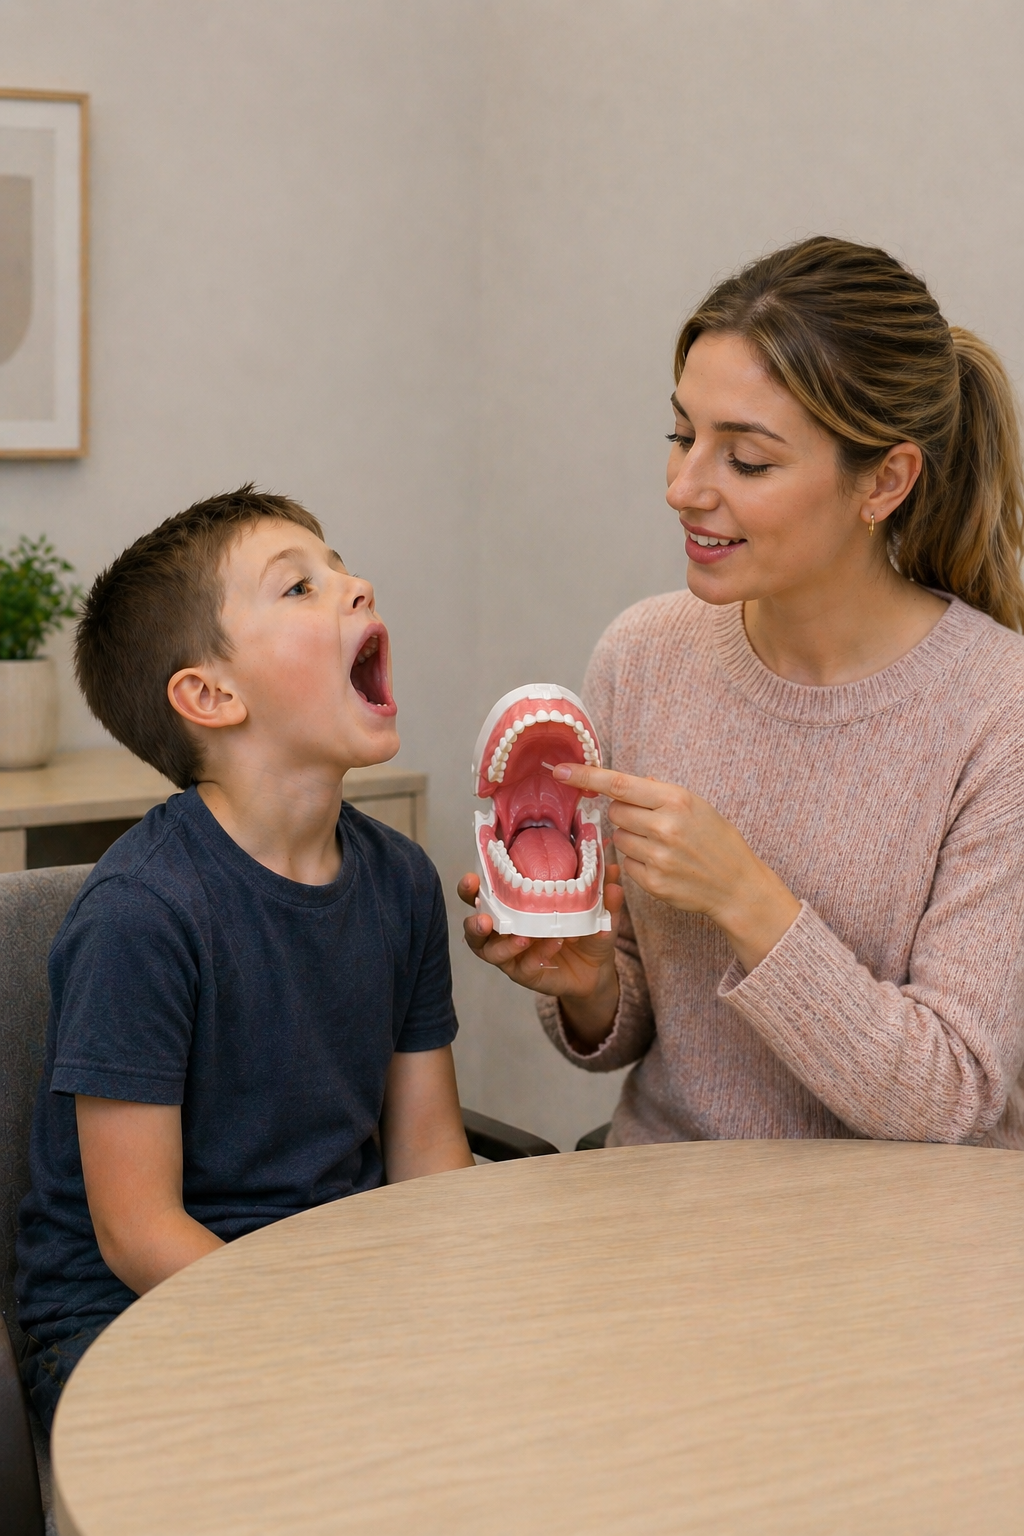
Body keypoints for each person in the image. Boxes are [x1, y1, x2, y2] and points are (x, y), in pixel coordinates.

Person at [460, 236, 1024, 1151]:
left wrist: (745, 894)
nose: (684, 488)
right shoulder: (644, 654)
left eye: (747, 462)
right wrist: (591, 981)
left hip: (907, 1253)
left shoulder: (1001, 714)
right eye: (683, 435)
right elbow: (642, 1029)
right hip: (673, 1214)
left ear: (884, 480)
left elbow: (947, 1100)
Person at [17, 486, 473, 1430]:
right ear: (211, 695)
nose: (356, 587)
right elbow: (137, 1232)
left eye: (339, 565)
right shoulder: (142, 915)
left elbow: (428, 1151)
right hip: (133, 1323)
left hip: (330, 1295)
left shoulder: (400, 882)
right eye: (300, 587)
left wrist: (460, 1307)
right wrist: (316, 1337)